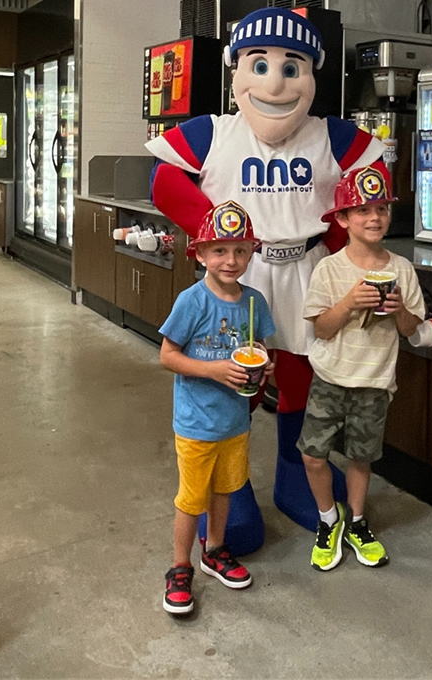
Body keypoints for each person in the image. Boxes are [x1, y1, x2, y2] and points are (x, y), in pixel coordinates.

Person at [148, 7, 392, 531]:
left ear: (312, 74)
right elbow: (164, 181)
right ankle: (228, 487)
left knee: (307, 375)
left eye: (291, 67)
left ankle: (295, 473)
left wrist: (340, 245)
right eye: (259, 66)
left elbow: (371, 182)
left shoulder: (330, 135)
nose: (275, 83)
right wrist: (216, 233)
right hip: (238, 270)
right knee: (233, 372)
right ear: (235, 70)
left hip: (310, 268)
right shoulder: (214, 132)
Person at [299, 167, 424, 570]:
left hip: (374, 380)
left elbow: (411, 329)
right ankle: (328, 518)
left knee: (361, 457)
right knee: (313, 455)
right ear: (342, 219)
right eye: (363, 210)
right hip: (330, 377)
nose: (375, 218)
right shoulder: (328, 269)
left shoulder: (402, 269)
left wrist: (398, 309)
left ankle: (355, 520)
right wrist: (350, 303)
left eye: (382, 209)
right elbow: (321, 328)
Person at [158, 201, 276, 615]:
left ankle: (215, 550)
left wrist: (264, 364)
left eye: (241, 250)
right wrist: (214, 370)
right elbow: (168, 356)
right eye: (220, 250)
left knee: (225, 489)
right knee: (192, 498)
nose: (231, 260)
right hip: (196, 423)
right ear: (201, 253)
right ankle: (180, 566)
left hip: (235, 422)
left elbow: (260, 347)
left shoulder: (254, 302)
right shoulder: (192, 301)